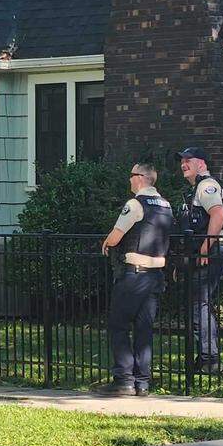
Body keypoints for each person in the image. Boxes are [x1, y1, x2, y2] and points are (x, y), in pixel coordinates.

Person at [95, 162, 173, 396]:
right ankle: (142, 382)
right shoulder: (166, 205)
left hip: (134, 274)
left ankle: (123, 379)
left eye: (131, 175)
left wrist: (106, 243)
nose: (129, 180)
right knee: (144, 328)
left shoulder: (135, 204)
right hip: (156, 275)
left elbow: (116, 236)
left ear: (140, 178)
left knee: (118, 325)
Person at [176, 147, 223, 376]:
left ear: (202, 164)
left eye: (189, 160)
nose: (184, 164)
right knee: (198, 305)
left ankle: (210, 360)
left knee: (200, 305)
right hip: (199, 255)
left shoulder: (206, 186)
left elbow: (218, 214)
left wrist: (205, 250)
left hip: (209, 254)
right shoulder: (195, 190)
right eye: (182, 161)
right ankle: (206, 357)